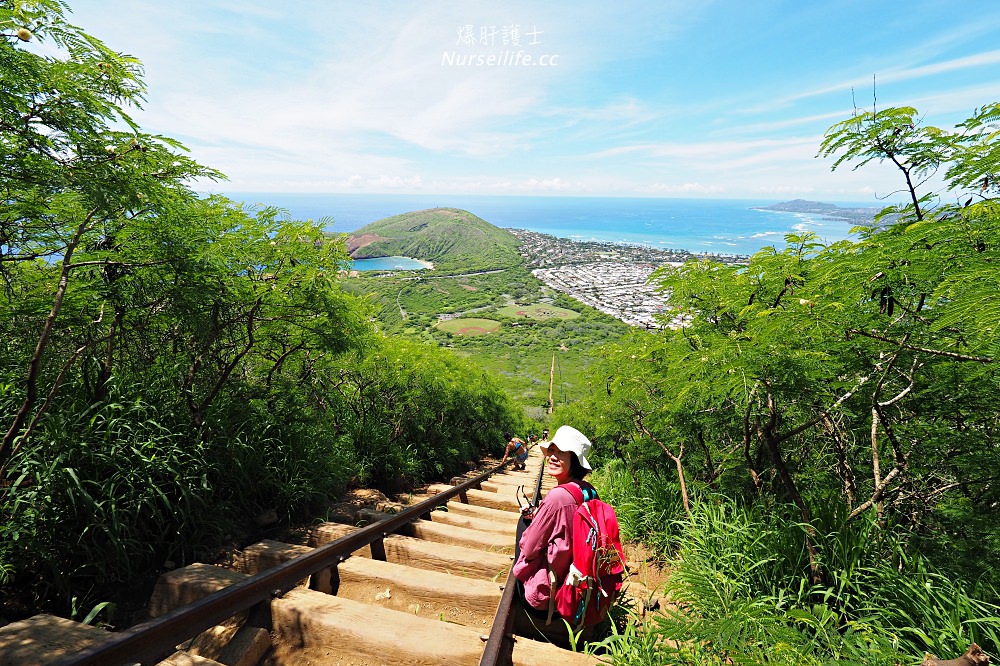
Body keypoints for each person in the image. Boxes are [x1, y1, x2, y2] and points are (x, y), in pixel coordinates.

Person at [512, 425, 593, 621]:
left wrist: (533, 523)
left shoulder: (557, 497)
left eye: (562, 453)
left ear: (574, 460)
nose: (553, 457)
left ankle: (523, 586)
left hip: (548, 599)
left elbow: (530, 549)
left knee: (523, 524)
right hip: (576, 589)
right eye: (552, 450)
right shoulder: (588, 491)